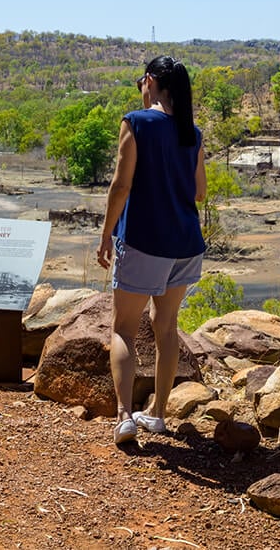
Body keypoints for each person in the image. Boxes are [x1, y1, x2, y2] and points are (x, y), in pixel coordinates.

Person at [96, 55, 207, 444]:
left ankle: (126, 416)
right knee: (166, 325)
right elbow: (200, 192)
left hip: (146, 242)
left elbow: (120, 186)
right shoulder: (191, 132)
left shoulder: (137, 122)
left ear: (151, 81)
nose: (139, 89)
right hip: (186, 245)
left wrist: (106, 234)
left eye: (140, 82)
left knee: (124, 328)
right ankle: (158, 413)